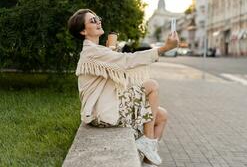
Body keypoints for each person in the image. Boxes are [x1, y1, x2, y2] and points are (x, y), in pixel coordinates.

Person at [67, 9, 179, 166]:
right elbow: (126, 61)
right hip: (102, 113)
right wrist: (165, 48)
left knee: (161, 115)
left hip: (108, 106)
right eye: (93, 21)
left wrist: (110, 49)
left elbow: (114, 64)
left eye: (98, 18)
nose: (98, 21)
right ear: (83, 31)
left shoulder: (97, 51)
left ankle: (148, 159)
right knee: (152, 86)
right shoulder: (91, 52)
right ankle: (148, 141)